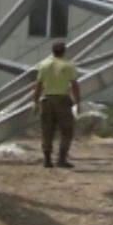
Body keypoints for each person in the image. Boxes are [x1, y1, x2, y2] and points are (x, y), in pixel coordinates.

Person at [32, 41, 80, 169]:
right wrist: (77, 101)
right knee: (66, 130)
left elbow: (38, 85)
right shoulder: (68, 65)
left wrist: (35, 101)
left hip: (46, 100)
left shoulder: (43, 65)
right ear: (64, 51)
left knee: (47, 130)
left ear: (52, 51)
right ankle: (61, 159)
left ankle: (47, 160)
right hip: (62, 101)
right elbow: (74, 85)